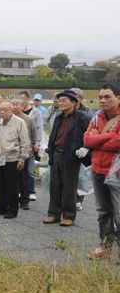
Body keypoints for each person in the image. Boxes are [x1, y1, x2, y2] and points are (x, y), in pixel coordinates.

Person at [83, 84, 120, 260]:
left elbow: (118, 143)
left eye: (107, 97)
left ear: (118, 97)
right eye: (100, 97)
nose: (103, 100)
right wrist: (108, 136)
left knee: (119, 213)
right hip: (98, 169)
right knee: (103, 211)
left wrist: (97, 140)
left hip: (117, 172)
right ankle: (105, 246)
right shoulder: (97, 117)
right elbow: (87, 140)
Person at [44, 89, 91, 226]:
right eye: (59, 101)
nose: (60, 103)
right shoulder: (58, 117)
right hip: (56, 154)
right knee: (55, 186)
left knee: (69, 187)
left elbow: (91, 134)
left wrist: (85, 148)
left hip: (71, 156)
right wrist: (50, 151)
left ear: (74, 102)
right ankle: (53, 214)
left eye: (64, 100)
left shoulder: (82, 117)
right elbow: (53, 135)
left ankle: (69, 215)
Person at [0, 101, 30, 219]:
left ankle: (12, 209)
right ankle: (0, 207)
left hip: (13, 158)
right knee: (0, 183)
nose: (2, 112)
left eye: (5, 110)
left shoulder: (19, 122)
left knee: (12, 185)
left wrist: (22, 158)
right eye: (0, 110)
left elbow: (25, 141)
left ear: (11, 110)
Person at [12, 98, 38, 211]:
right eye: (12, 104)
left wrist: (31, 148)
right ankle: (12, 199)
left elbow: (33, 136)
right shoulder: (8, 118)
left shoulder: (28, 119)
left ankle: (24, 201)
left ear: (23, 107)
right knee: (12, 177)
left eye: (17, 104)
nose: (14, 106)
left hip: (25, 152)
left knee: (24, 177)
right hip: (11, 152)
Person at [18, 90, 43, 201]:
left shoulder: (35, 112)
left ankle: (31, 191)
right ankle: (21, 190)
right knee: (20, 169)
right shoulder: (17, 111)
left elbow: (38, 128)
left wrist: (37, 142)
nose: (20, 101)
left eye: (22, 98)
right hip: (18, 145)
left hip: (30, 144)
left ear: (28, 99)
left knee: (30, 169)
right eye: (19, 99)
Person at [72, 87, 93, 211]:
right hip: (69, 148)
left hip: (82, 149)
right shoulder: (65, 111)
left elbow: (91, 131)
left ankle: (79, 200)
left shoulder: (87, 112)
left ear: (79, 98)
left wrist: (86, 147)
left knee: (81, 177)